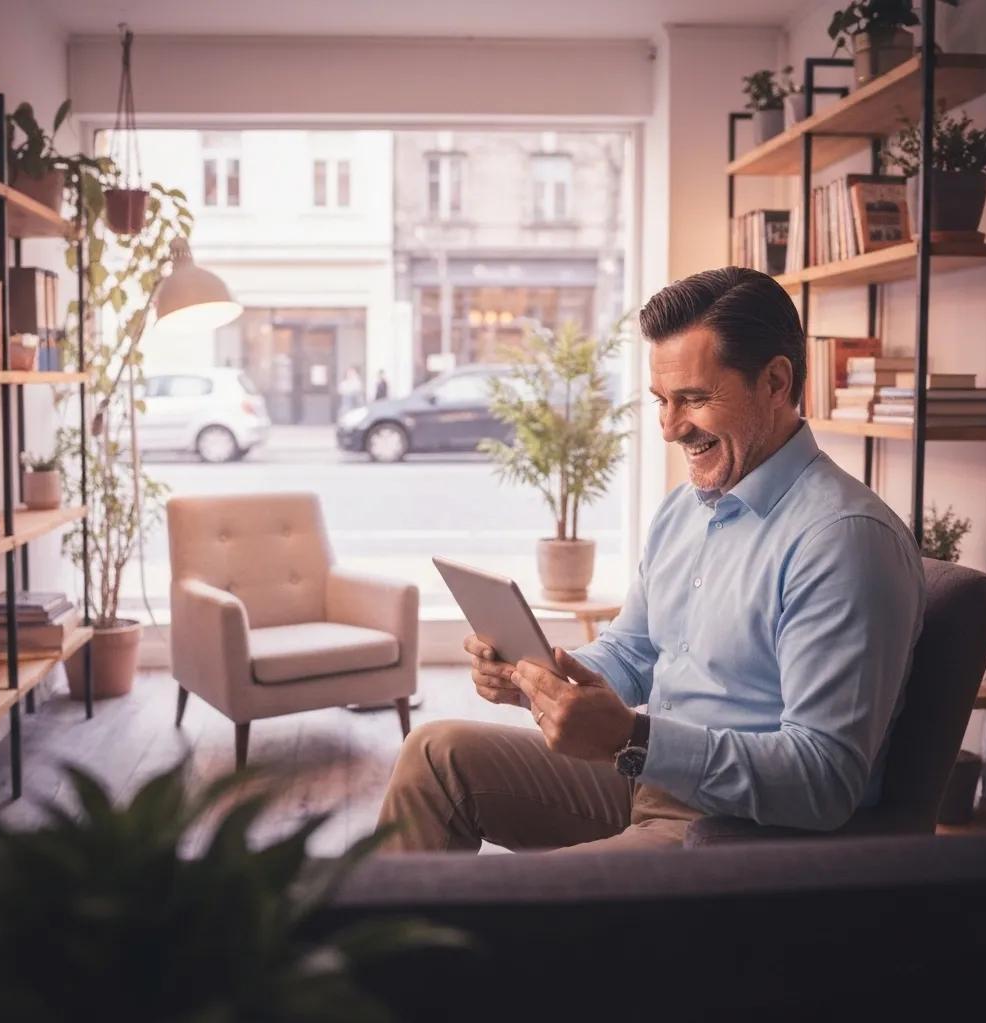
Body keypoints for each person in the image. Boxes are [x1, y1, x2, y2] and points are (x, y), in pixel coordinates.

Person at [377, 266, 925, 853]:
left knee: (508, 900)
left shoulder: (844, 542)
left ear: (775, 382)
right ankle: (387, 947)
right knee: (434, 755)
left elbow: (824, 780)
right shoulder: (685, 510)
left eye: (693, 399)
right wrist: (537, 676)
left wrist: (636, 738)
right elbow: (633, 650)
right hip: (644, 776)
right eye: (662, 400)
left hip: (731, 831)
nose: (669, 428)